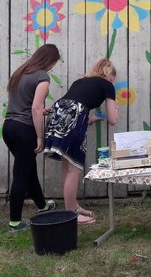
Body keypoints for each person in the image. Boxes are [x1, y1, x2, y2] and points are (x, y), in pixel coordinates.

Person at [44, 58, 119, 224]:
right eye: (113, 78)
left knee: (67, 165)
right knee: (74, 168)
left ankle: (73, 206)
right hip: (76, 113)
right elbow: (112, 119)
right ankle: (72, 213)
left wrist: (92, 119)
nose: (113, 81)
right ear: (110, 76)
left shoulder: (81, 82)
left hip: (59, 111)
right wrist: (115, 108)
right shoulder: (107, 85)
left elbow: (75, 105)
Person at [2, 44, 60, 232]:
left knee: (28, 168)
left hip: (9, 127)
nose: (53, 67)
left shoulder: (20, 72)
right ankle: (15, 223)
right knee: (21, 173)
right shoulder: (42, 76)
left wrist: (37, 111)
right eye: (54, 63)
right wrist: (40, 137)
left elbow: (24, 104)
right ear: (49, 61)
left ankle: (42, 206)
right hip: (24, 130)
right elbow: (35, 108)